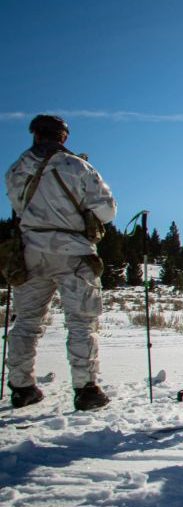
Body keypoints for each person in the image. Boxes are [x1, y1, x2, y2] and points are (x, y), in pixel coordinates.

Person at [4, 115, 116, 410]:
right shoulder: (77, 167)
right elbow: (107, 210)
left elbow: (16, 206)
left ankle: (21, 386)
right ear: (63, 137)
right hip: (72, 250)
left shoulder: (17, 168)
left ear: (35, 135)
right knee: (81, 321)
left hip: (30, 252)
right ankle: (86, 389)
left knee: (26, 322)